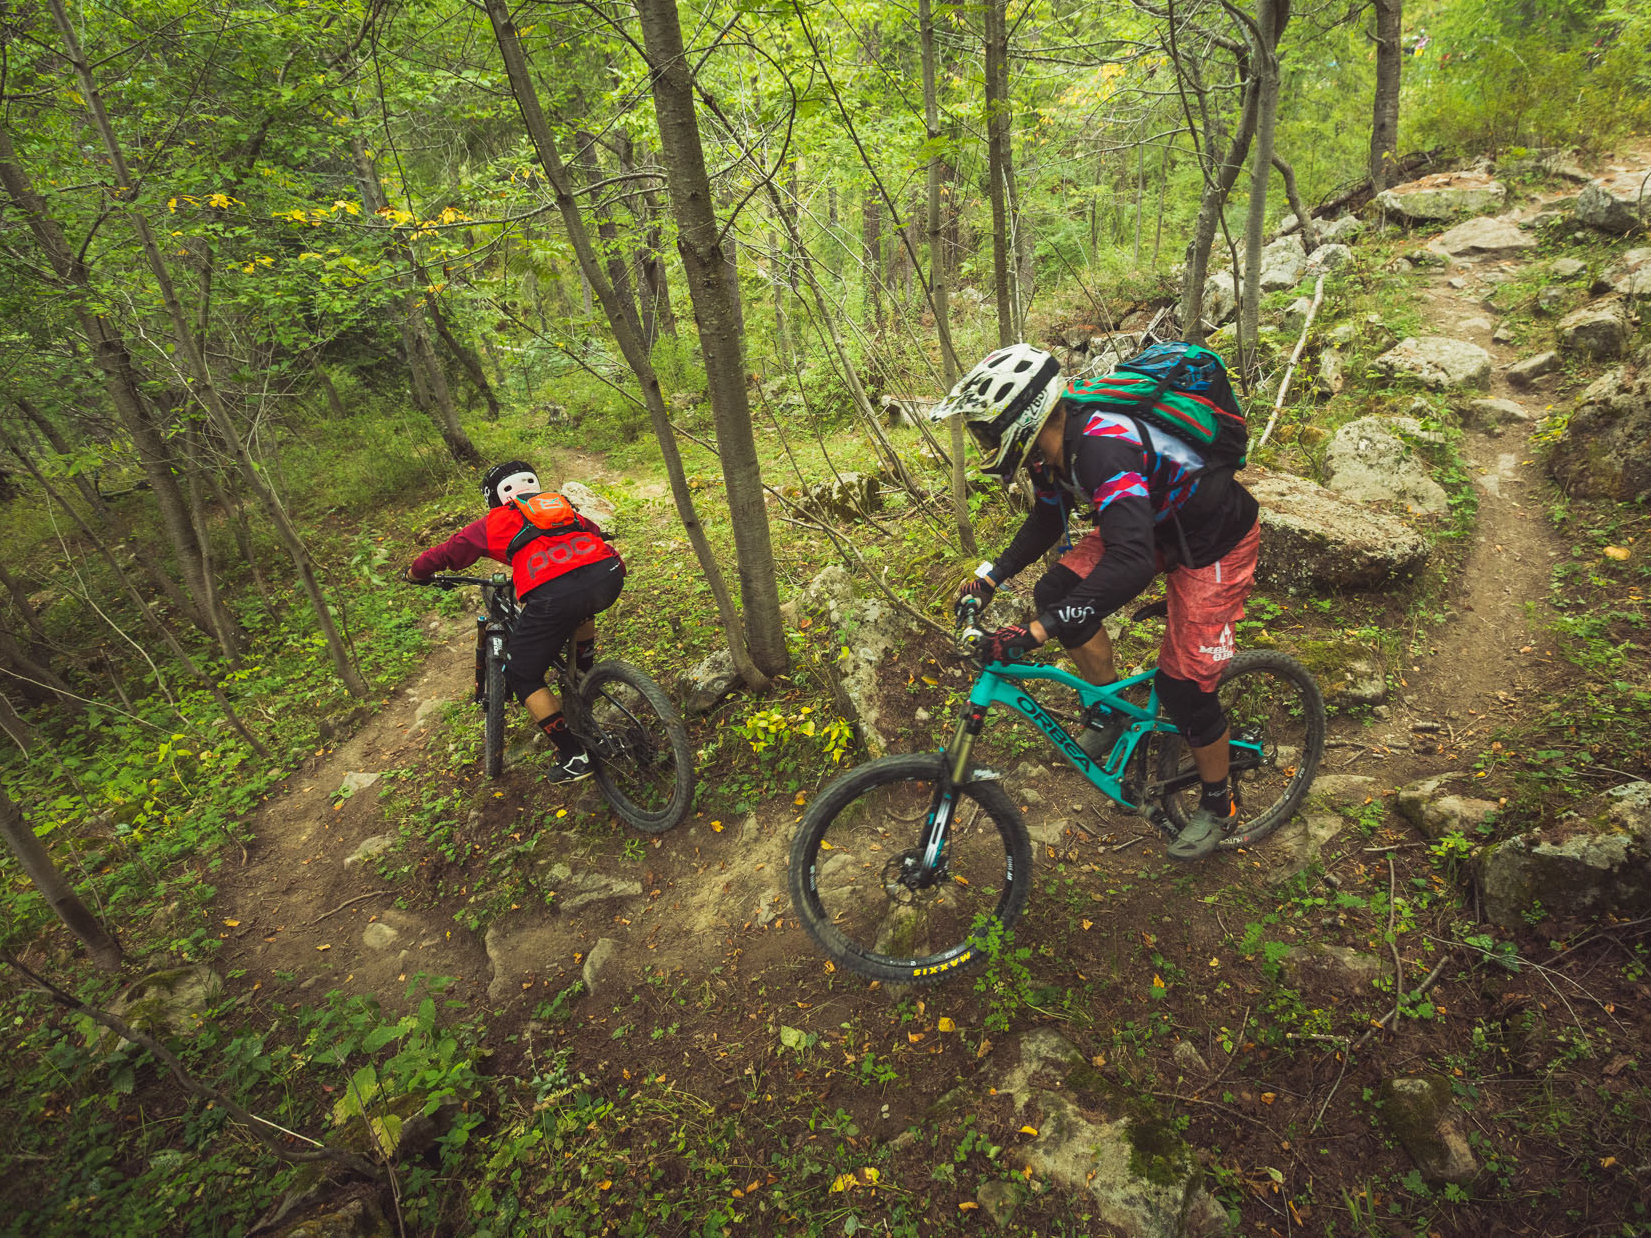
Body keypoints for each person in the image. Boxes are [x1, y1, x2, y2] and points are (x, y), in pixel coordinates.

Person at [934, 344, 1260, 861]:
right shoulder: (1048, 452)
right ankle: (1113, 712)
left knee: (1184, 686)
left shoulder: (1104, 448)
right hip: (1148, 523)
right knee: (1055, 592)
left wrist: (1037, 632)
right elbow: (1047, 520)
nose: (983, 441)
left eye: (986, 430)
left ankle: (1219, 804)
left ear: (1025, 419)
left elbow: (1128, 562)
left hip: (1213, 540)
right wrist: (990, 577)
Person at [405, 460, 625, 783]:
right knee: (580, 599)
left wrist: (415, 573)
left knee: (521, 673)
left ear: (493, 497)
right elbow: (592, 531)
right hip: (607, 574)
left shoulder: (495, 521)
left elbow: (447, 552)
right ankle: (585, 670)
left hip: (554, 594)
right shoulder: (557, 505)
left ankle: (573, 756)